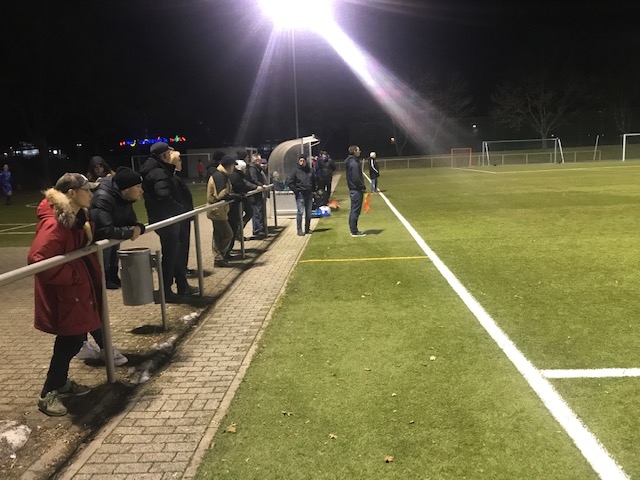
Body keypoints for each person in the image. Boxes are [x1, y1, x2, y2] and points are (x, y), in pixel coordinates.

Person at [28, 173, 102, 416]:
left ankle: (59, 383)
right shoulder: (55, 223)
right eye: (86, 190)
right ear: (71, 193)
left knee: (75, 338)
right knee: (70, 340)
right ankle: (48, 392)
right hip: (67, 294)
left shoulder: (75, 218)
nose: (91, 194)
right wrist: (75, 277)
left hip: (75, 294)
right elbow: (38, 260)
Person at [140, 142, 197, 302]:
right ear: (165, 155)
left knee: (175, 254)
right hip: (167, 219)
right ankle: (166, 291)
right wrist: (182, 210)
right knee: (171, 255)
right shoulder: (158, 172)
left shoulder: (157, 170)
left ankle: (180, 285)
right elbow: (164, 197)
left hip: (166, 218)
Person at [207, 155, 239, 267]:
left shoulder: (221, 175)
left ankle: (219, 258)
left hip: (218, 210)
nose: (234, 168)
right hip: (217, 211)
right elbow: (221, 195)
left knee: (218, 234)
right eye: (233, 166)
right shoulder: (220, 176)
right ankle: (219, 256)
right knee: (228, 234)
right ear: (229, 166)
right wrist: (234, 196)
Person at [286, 156, 316, 236]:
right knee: (300, 212)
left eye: (303, 161)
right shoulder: (295, 171)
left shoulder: (310, 170)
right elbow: (289, 182)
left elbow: (314, 180)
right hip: (300, 194)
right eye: (300, 161)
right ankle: (299, 230)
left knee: (309, 212)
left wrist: (313, 190)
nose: (302, 162)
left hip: (309, 193)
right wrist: (296, 190)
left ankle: (307, 228)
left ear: (306, 161)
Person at [345, 145, 367, 237]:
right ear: (354, 151)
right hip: (356, 190)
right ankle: (354, 231)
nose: (359, 151)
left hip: (353, 189)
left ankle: (353, 229)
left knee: (354, 210)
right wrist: (362, 186)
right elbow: (356, 178)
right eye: (358, 150)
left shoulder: (351, 161)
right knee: (355, 210)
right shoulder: (353, 163)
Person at [246, 153, 268, 239]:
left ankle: (260, 229)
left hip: (258, 194)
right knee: (256, 212)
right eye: (259, 160)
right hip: (255, 194)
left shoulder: (256, 168)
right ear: (255, 160)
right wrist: (261, 185)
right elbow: (253, 179)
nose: (260, 161)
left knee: (259, 211)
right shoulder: (252, 168)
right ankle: (257, 230)